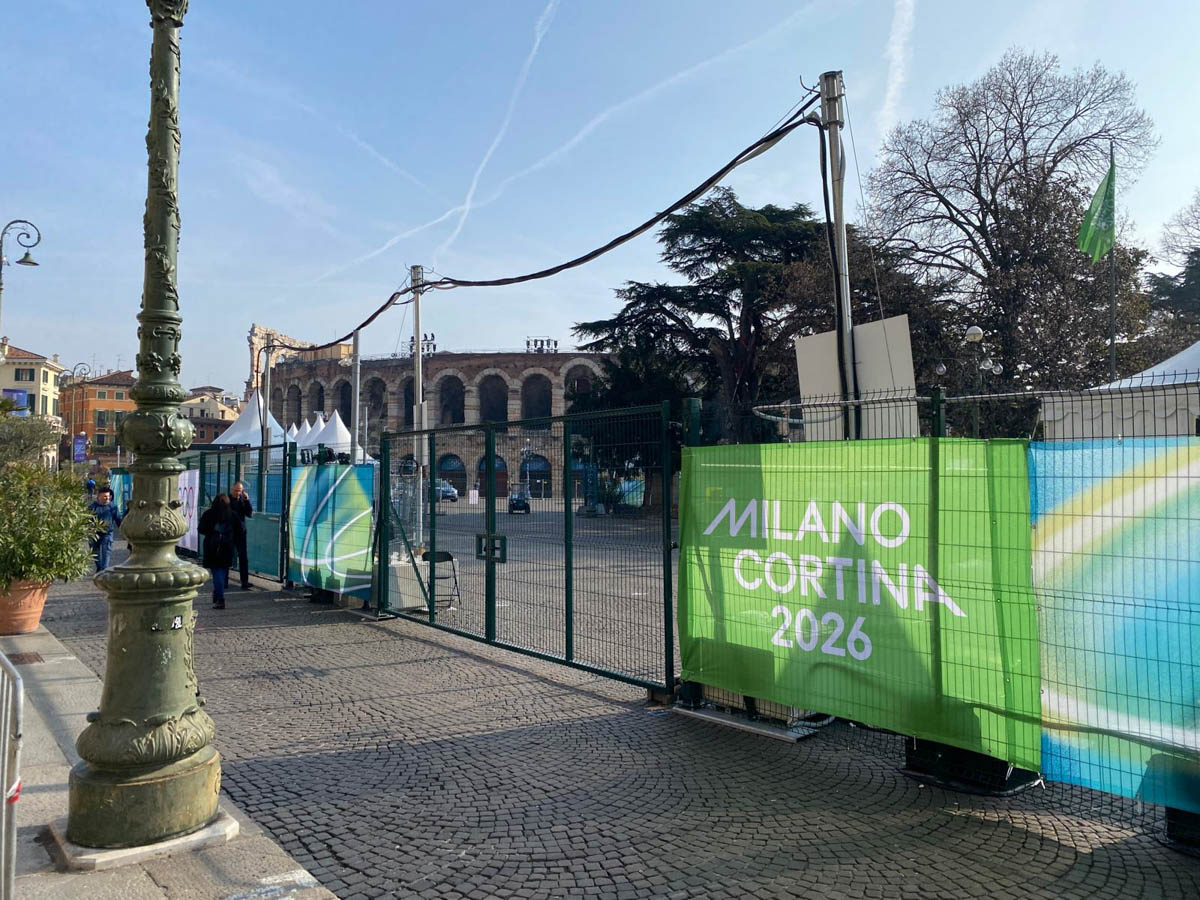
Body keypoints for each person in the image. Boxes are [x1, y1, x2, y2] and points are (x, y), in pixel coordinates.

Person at [197, 494, 243, 610]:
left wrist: (211, 532)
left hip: (212, 547)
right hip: (227, 546)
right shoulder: (232, 515)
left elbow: (201, 529)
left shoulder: (208, 514)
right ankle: (218, 592)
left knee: (216, 572)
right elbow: (240, 530)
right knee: (223, 570)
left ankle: (220, 598)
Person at [87, 488, 123, 572]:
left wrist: (122, 530)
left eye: (108, 496)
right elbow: (87, 520)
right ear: (99, 497)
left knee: (106, 552)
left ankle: (104, 570)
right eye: (104, 496)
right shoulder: (92, 507)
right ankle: (99, 568)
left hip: (107, 533)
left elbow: (118, 519)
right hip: (94, 533)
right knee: (95, 552)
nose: (107, 498)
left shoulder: (113, 507)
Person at [228, 480, 254, 590]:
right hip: (229, 532)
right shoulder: (227, 500)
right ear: (231, 490)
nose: (238, 493)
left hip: (241, 532)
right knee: (227, 556)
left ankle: (245, 582)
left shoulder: (243, 500)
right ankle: (224, 581)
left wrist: (247, 501)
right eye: (236, 491)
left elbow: (249, 513)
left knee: (243, 558)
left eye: (240, 491)